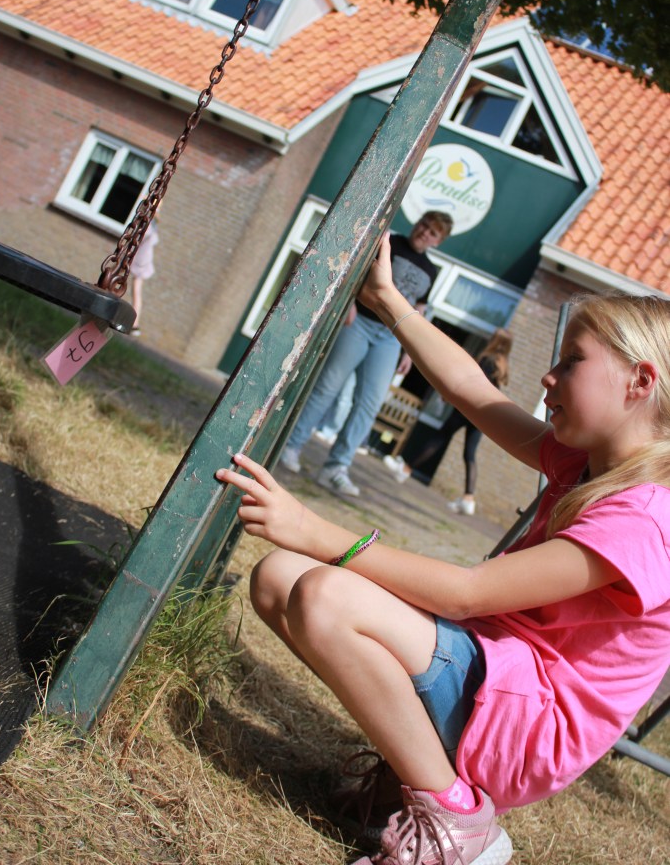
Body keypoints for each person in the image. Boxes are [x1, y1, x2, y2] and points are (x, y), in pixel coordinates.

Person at [216, 233, 670, 865]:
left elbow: (466, 594)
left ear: (640, 381)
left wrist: (316, 531)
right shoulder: (584, 463)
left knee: (323, 594)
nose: (549, 375)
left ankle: (457, 821)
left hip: (528, 726)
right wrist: (388, 301)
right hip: (492, 674)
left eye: (572, 361)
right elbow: (468, 389)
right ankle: (411, 775)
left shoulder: (645, 519)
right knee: (277, 578)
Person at [279, 212, 454, 497]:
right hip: (360, 324)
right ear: (417, 223)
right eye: (424, 225)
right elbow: (359, 271)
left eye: (433, 233)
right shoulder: (390, 243)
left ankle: (335, 468)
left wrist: (411, 349)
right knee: (327, 387)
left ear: (438, 241)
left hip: (391, 338)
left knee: (369, 404)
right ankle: (291, 445)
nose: (425, 232)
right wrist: (348, 303)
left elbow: (418, 310)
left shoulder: (430, 271)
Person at [383, 329, 513, 516]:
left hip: (469, 409)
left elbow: (473, 384)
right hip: (485, 414)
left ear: (496, 341)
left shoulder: (488, 360)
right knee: (469, 453)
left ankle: (405, 469)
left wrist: (452, 395)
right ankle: (468, 498)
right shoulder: (502, 367)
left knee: (440, 437)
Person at [128, 220, 159, 337]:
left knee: (136, 290)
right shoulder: (153, 226)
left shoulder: (149, 225)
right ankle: (135, 323)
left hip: (140, 259)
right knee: (136, 290)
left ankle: (135, 323)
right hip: (142, 258)